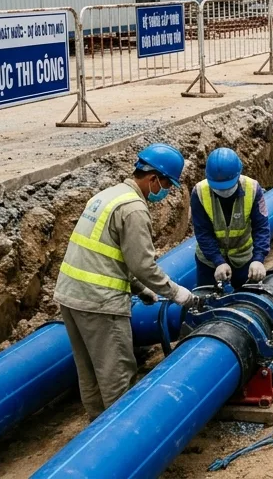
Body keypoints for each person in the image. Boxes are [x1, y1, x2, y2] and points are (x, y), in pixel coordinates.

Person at [54, 143, 196, 417]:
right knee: (117, 376)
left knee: (90, 375)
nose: (165, 193)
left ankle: (96, 439)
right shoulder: (133, 209)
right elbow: (143, 265)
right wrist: (176, 293)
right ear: (154, 178)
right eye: (166, 184)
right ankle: (121, 443)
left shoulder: (107, 196)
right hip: (100, 304)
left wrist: (139, 289)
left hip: (71, 297)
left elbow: (108, 254)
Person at [191, 148, 270, 290]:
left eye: (227, 186)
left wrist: (258, 258)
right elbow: (203, 232)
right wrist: (217, 261)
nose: (223, 191)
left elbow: (261, 227)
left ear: (238, 175)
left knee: (247, 300)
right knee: (207, 303)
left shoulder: (252, 189)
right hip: (209, 262)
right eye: (218, 188)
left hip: (243, 258)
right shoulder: (199, 192)